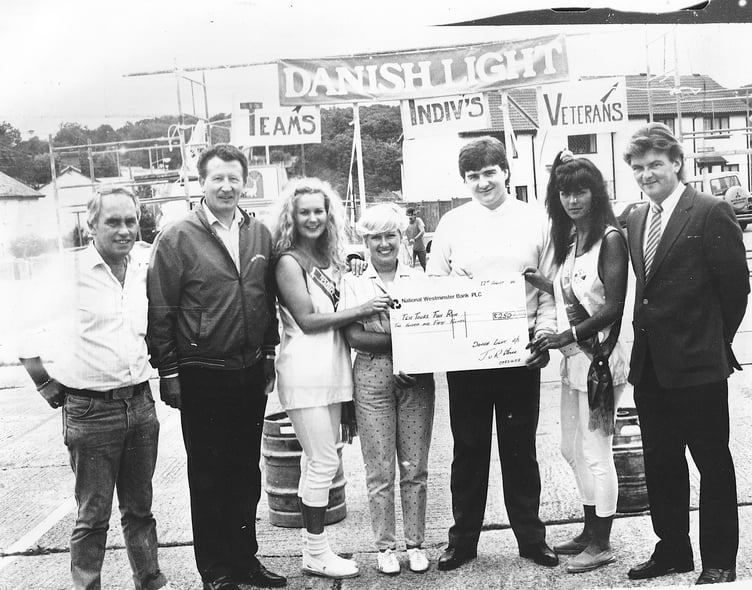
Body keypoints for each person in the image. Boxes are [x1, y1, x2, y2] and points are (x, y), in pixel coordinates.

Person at [18, 187, 177, 590]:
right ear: (91, 226)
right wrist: (44, 383)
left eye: (130, 221)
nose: (124, 230)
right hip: (90, 412)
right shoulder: (69, 274)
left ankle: (150, 581)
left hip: (140, 406)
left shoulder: (143, 266)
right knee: (93, 516)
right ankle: (88, 586)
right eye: (113, 222)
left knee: (140, 510)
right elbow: (22, 329)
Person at [147, 145, 286, 590]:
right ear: (201, 182)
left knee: (246, 472)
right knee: (209, 474)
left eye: (234, 179)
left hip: (248, 371)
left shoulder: (258, 233)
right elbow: (161, 309)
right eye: (217, 179)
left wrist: (267, 353)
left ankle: (247, 561)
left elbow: (266, 299)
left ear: (245, 183)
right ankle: (217, 571)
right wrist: (168, 370)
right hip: (202, 372)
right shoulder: (177, 236)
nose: (226, 186)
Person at [622, 123, 748, 585]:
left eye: (655, 164)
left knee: (712, 461)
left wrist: (715, 343)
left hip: (698, 364)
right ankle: (672, 550)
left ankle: (719, 559)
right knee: (661, 462)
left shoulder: (710, 211)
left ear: (676, 163)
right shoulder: (637, 217)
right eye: (638, 168)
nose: (646, 173)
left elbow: (736, 288)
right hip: (652, 366)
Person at [426, 136, 559, 571]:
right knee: (468, 448)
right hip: (468, 355)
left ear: (506, 171)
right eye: (472, 176)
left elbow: (549, 289)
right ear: (464, 180)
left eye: (489, 172)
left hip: (519, 350)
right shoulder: (451, 223)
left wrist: (543, 336)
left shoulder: (536, 219)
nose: (482, 182)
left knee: (520, 447)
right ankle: (462, 541)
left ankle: (531, 539)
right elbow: (434, 286)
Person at [271, 177, 391, 579]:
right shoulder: (289, 261)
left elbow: (344, 284)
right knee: (322, 461)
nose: (312, 218)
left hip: (333, 369)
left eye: (318, 211)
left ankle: (315, 551)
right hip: (304, 371)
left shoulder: (331, 260)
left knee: (319, 461)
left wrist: (355, 260)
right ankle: (316, 552)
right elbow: (307, 319)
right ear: (292, 216)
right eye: (303, 212)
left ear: (329, 215)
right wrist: (362, 310)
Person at [525, 151, 629, 573]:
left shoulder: (609, 239)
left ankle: (602, 542)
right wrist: (542, 283)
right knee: (571, 448)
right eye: (565, 192)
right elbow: (577, 291)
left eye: (580, 191)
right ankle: (589, 529)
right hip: (575, 362)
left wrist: (565, 336)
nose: (572, 199)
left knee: (595, 450)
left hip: (601, 358)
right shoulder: (573, 241)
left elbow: (613, 307)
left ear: (596, 193)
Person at [339, 204, 435, 575]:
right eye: (375, 237)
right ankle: (385, 546)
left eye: (390, 235)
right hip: (372, 377)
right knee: (380, 469)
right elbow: (354, 336)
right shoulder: (355, 282)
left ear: (401, 238)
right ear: (364, 241)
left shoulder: (418, 278)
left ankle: (416, 543)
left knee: (415, 465)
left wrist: (410, 351)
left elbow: (430, 331)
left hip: (415, 377)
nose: (383, 243)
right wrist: (403, 340)